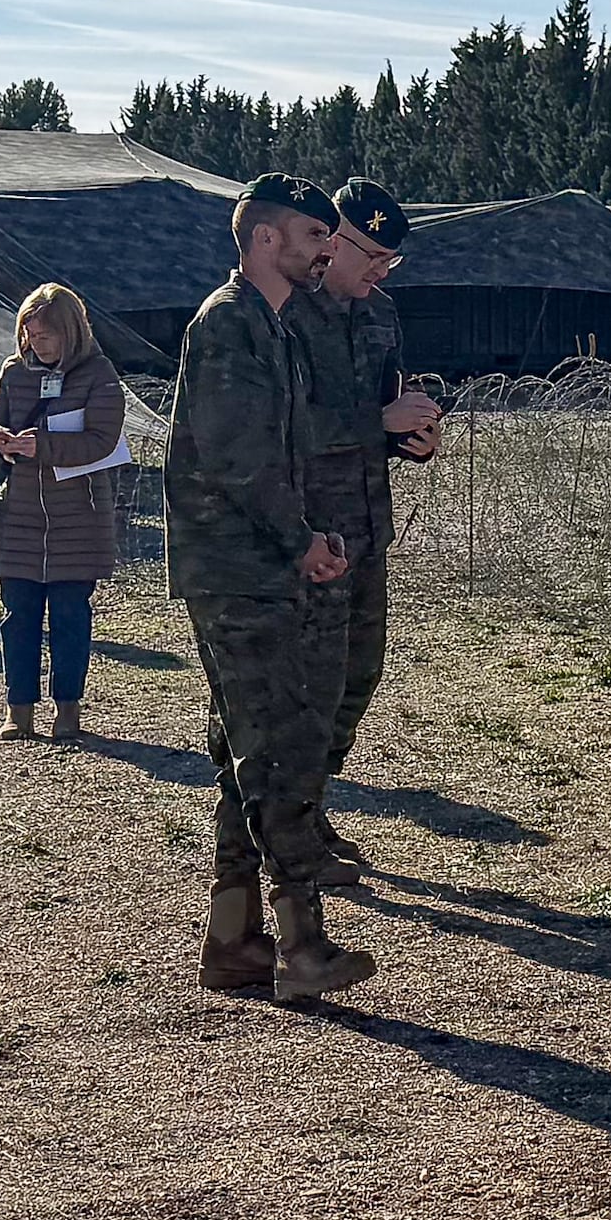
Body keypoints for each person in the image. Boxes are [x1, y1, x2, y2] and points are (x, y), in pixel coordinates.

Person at [174, 174, 368, 1005]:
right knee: (280, 744)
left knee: (245, 751)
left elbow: (293, 453)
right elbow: (237, 458)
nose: (327, 246)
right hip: (236, 569)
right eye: (312, 234)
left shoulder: (275, 327)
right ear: (263, 239)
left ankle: (235, 940)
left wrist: (312, 539)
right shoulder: (228, 327)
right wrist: (299, 545)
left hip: (263, 563)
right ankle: (304, 944)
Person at [296, 177, 448, 869]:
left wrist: (411, 433)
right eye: (371, 257)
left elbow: (388, 399)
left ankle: (312, 804)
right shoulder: (282, 314)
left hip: (365, 529)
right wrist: (375, 423)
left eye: (391, 262)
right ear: (332, 241)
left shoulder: (380, 313)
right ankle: (282, 823)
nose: (379, 273)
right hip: (298, 535)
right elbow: (272, 428)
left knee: (356, 679)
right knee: (300, 687)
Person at [0, 280, 132, 742]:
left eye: (43, 335)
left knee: (70, 616)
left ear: (69, 333)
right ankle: (18, 707)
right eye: (28, 334)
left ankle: (68, 707)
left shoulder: (100, 375)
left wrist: (40, 446)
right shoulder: (13, 371)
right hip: (19, 515)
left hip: (78, 518)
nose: (33, 343)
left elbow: (101, 440)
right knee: (17, 616)